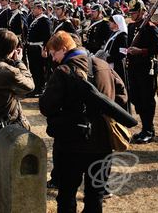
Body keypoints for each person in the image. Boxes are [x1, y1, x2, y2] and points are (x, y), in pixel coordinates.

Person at [40, 31, 127, 213]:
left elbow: (47, 107)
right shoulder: (103, 65)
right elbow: (122, 97)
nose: (54, 59)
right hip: (102, 142)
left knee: (66, 195)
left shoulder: (63, 71)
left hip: (71, 144)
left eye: (54, 54)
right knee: (95, 196)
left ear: (63, 49)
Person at [0, 30, 34, 213]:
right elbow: (30, 85)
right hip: (9, 123)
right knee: (14, 166)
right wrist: (19, 61)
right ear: (12, 49)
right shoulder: (8, 71)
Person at [126, 0, 158, 143]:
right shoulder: (131, 27)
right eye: (131, 12)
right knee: (136, 98)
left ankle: (149, 130)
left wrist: (141, 51)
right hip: (134, 67)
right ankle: (144, 128)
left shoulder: (151, 27)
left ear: (142, 12)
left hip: (146, 68)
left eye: (135, 12)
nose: (132, 15)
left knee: (146, 99)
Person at [27, 0, 53, 96]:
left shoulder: (44, 20)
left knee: (39, 70)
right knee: (33, 69)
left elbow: (48, 36)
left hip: (39, 48)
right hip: (32, 47)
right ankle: (35, 88)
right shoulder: (37, 19)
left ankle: (40, 89)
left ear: (40, 9)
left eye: (34, 8)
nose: (32, 10)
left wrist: (45, 49)